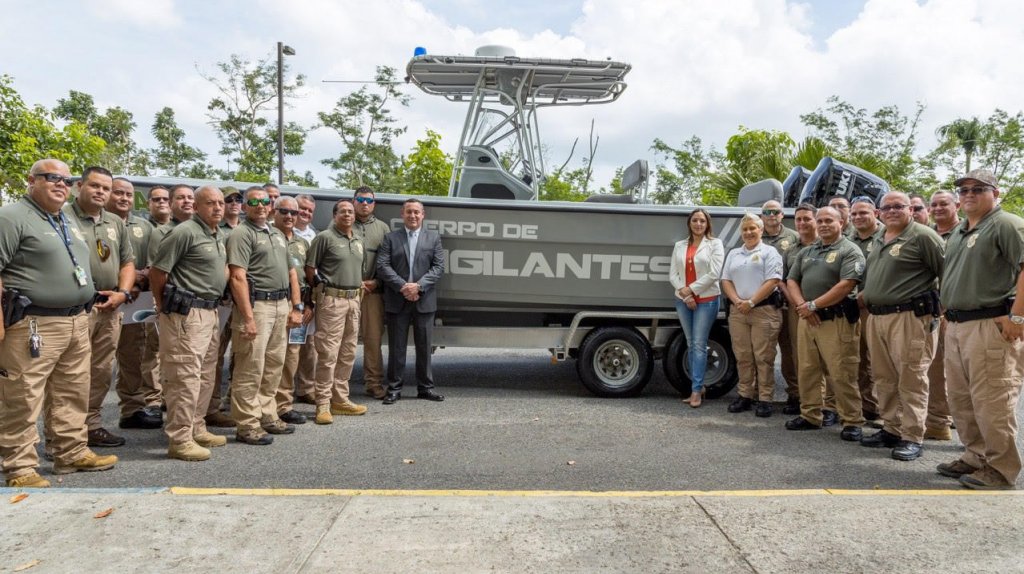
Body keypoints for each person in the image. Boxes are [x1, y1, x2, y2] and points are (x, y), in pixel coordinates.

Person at [0, 159, 118, 487]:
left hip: (76, 320)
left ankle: (70, 451)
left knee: (72, 391)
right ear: (31, 179)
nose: (60, 184)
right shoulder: (11, 217)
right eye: (52, 178)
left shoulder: (62, 218)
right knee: (23, 395)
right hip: (34, 323)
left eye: (66, 180)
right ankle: (20, 466)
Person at [937, 169, 1024, 490]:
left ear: (995, 193)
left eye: (978, 188)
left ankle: (1001, 469)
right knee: (961, 398)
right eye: (963, 189)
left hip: (990, 325)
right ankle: (976, 456)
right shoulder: (961, 230)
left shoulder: (1006, 224)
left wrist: (1018, 317)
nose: (969, 194)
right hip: (959, 324)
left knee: (992, 399)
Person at [859, 192, 944, 461]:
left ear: (910, 209)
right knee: (884, 378)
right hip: (878, 318)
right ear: (879, 212)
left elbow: (947, 273)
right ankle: (892, 428)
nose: (892, 211)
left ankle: (912, 435)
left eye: (899, 206)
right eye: (887, 207)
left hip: (909, 317)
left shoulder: (922, 236)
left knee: (912, 377)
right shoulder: (878, 238)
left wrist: (937, 312)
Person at [149, 185, 229, 461]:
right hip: (187, 313)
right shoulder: (184, 232)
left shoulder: (216, 234)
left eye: (220, 202)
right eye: (210, 203)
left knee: (206, 373)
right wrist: (163, 308)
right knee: (184, 376)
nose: (218, 207)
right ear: (196, 206)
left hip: (210, 311)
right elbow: (158, 273)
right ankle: (179, 438)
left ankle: (197, 426)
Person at [59, 168, 137, 449]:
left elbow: (128, 262)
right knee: (70, 373)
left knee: (101, 370)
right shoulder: (62, 216)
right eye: (95, 186)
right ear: (79, 186)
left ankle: (91, 425)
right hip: (76, 308)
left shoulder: (115, 222)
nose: (101, 192)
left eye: (106, 187)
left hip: (110, 307)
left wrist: (123, 293)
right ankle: (65, 434)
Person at [226, 187, 303, 444]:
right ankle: (247, 423)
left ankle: (268, 415)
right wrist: (247, 318)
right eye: (254, 201)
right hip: (257, 307)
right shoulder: (241, 234)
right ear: (245, 206)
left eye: (264, 201)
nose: (260, 206)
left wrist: (296, 306)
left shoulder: (278, 234)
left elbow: (292, 272)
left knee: (273, 365)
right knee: (250, 366)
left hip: (281, 305)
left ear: (270, 206)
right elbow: (237, 276)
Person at [785, 206, 866, 441]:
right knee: (808, 369)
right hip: (807, 319)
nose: (823, 225)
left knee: (842, 372)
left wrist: (813, 306)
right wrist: (803, 307)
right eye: (819, 221)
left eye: (829, 220)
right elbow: (791, 279)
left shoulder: (850, 251)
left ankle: (852, 420)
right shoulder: (808, 250)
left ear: (842, 222)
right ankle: (810, 415)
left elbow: (846, 285)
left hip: (836, 320)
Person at [376, 198, 446, 405]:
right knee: (396, 347)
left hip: (424, 301)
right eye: (409, 212)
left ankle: (425, 388)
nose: (413, 216)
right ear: (402, 214)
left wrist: (418, 286)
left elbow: (438, 267)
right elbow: (383, 266)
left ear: (423, 214)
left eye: (416, 212)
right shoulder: (390, 238)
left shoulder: (433, 238)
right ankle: (394, 389)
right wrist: (403, 287)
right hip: (398, 300)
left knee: (424, 347)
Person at [305, 199, 369, 423]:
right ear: (334, 215)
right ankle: (322, 403)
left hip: (353, 301)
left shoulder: (358, 239)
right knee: (328, 354)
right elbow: (310, 269)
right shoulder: (324, 237)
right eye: (343, 212)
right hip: (332, 301)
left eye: (350, 212)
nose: (348, 215)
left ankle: (340, 400)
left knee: (348, 352)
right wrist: (318, 295)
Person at [108, 178, 162, 430]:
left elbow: (154, 263)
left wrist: (136, 280)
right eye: (118, 193)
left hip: (135, 301)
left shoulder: (143, 226)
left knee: (134, 356)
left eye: (129, 194)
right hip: (102, 300)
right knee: (95, 364)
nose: (124, 198)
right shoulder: (91, 224)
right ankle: (83, 422)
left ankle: (131, 409)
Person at [721, 213, 783, 417]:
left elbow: (773, 280)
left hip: (763, 311)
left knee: (763, 356)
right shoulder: (734, 254)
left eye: (752, 228)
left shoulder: (770, 252)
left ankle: (765, 398)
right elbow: (726, 280)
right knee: (743, 356)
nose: (748, 232)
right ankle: (745, 395)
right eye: (745, 229)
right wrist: (738, 301)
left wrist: (752, 301)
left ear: (761, 229)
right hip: (738, 311)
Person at [669, 208, 724, 408]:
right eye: (695, 220)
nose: (698, 224)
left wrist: (690, 290)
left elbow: (714, 273)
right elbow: (673, 275)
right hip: (683, 300)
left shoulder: (715, 244)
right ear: (689, 223)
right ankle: (698, 386)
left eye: (702, 221)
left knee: (700, 344)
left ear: (707, 224)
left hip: (707, 300)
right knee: (691, 344)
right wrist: (685, 294)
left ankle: (695, 391)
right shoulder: (679, 245)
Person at [923, 190, 961, 441]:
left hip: (960, 312)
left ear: (956, 205)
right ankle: (938, 422)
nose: (937, 208)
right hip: (933, 312)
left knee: (959, 373)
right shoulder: (929, 235)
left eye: (943, 204)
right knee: (936, 370)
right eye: (933, 204)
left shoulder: (965, 233)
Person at [271, 197, 312, 425]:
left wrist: (308, 305)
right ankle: (265, 406)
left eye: (293, 213)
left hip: (298, 307)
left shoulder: (301, 243)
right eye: (284, 212)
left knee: (291, 357)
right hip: (273, 303)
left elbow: (307, 276)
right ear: (274, 212)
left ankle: (284, 405)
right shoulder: (267, 238)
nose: (289, 217)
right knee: (270, 357)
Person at [777, 203, 819, 415]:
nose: (802, 223)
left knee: (825, 355)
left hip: (823, 309)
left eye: (807, 219)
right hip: (796, 308)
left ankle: (826, 402)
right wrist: (797, 303)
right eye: (799, 219)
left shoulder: (827, 245)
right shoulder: (791, 250)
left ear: (816, 220)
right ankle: (799, 395)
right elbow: (783, 280)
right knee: (796, 354)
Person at [760, 200, 800, 409]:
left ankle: (795, 393)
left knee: (791, 351)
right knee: (765, 351)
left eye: (775, 211)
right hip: (764, 304)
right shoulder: (755, 235)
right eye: (767, 212)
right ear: (762, 216)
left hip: (788, 303)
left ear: (782, 214)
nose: (771, 215)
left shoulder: (794, 237)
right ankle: (761, 395)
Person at [353, 186, 392, 399]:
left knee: (373, 340)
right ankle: (335, 387)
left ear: (374, 204)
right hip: (346, 292)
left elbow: (388, 262)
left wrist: (376, 282)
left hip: (373, 294)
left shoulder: (383, 228)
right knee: (340, 341)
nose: (364, 203)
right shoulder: (343, 223)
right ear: (353, 202)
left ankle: (374, 383)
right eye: (360, 199)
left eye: (368, 200)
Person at [848, 196, 883, 423]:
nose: (858, 217)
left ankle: (886, 413)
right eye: (855, 214)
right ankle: (867, 406)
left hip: (876, 308)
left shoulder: (886, 237)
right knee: (858, 359)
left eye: (863, 213)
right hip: (852, 308)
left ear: (876, 213)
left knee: (881, 363)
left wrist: (865, 295)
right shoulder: (848, 239)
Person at [292, 194, 319, 402]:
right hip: (289, 300)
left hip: (309, 299)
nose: (305, 213)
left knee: (308, 346)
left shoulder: (315, 236)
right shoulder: (282, 233)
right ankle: (280, 393)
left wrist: (311, 302)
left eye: (310, 210)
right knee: (287, 348)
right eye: (302, 208)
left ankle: (306, 389)